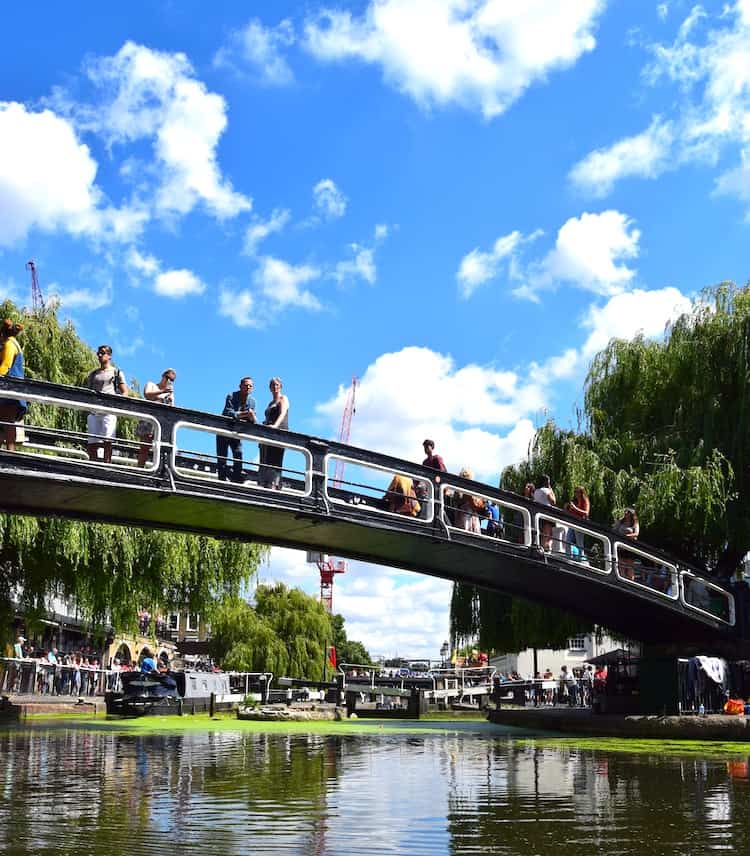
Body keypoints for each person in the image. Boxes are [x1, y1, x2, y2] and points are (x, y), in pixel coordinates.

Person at [84, 345, 128, 463]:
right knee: (92, 442)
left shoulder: (116, 372)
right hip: (94, 411)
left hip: (109, 411)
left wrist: (116, 405)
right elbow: (88, 391)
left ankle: (106, 465)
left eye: (102, 353)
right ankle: (92, 464)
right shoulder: (93, 374)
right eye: (98, 353)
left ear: (109, 356)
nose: (99, 355)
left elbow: (125, 392)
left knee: (107, 440)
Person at [217, 377, 256, 482]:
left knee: (238, 455)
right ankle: (221, 482)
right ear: (240, 386)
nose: (248, 387)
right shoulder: (231, 396)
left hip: (237, 433)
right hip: (224, 430)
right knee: (222, 459)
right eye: (246, 385)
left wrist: (252, 417)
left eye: (250, 386)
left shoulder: (252, 402)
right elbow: (228, 413)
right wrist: (245, 414)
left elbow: (250, 420)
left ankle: (236, 480)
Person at [136, 368, 177, 467]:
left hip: (162, 422)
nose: (169, 381)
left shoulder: (170, 393)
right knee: (144, 448)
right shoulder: (151, 384)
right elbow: (147, 395)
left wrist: (170, 399)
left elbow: (172, 409)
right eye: (167, 378)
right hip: (148, 420)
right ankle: (140, 469)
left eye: (172, 380)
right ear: (163, 376)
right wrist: (162, 392)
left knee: (161, 450)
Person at [0, 319, 27, 452]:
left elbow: (5, 366)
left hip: (9, 390)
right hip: (14, 388)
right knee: (5, 422)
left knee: (7, 421)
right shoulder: (15, 344)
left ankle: (11, 453)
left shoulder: (9, 345)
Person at [259, 377, 289, 489]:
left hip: (278, 433)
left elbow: (282, 413)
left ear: (280, 386)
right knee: (266, 459)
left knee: (275, 460)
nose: (274, 387)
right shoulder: (270, 402)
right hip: (268, 433)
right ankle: (265, 484)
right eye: (272, 385)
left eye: (276, 384)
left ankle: (274, 485)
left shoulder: (283, 398)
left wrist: (275, 426)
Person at [455, 467, 485, 534]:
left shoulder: (458, 489)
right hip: (467, 514)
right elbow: (474, 505)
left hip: (464, 514)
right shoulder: (469, 490)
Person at [614, 508, 639, 580]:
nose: (625, 513)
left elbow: (636, 534)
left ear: (631, 514)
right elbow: (615, 530)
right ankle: (622, 581)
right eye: (625, 511)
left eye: (627, 512)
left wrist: (626, 537)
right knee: (621, 566)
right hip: (620, 546)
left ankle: (631, 583)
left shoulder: (634, 523)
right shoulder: (621, 522)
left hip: (629, 547)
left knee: (629, 567)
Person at [565, 486, 590, 557]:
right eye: (574, 492)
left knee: (579, 542)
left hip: (580, 524)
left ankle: (580, 559)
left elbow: (586, 513)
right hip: (572, 523)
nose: (575, 494)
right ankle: (568, 557)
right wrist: (567, 508)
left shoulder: (585, 500)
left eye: (577, 492)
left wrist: (575, 508)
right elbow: (570, 513)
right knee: (567, 540)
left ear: (581, 493)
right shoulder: (574, 501)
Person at [533, 475, 556, 551]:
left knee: (542, 534)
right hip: (547, 515)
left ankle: (541, 548)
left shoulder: (536, 491)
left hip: (539, 515)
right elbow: (553, 501)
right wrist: (551, 489)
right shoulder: (547, 490)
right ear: (546, 482)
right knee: (548, 534)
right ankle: (545, 549)